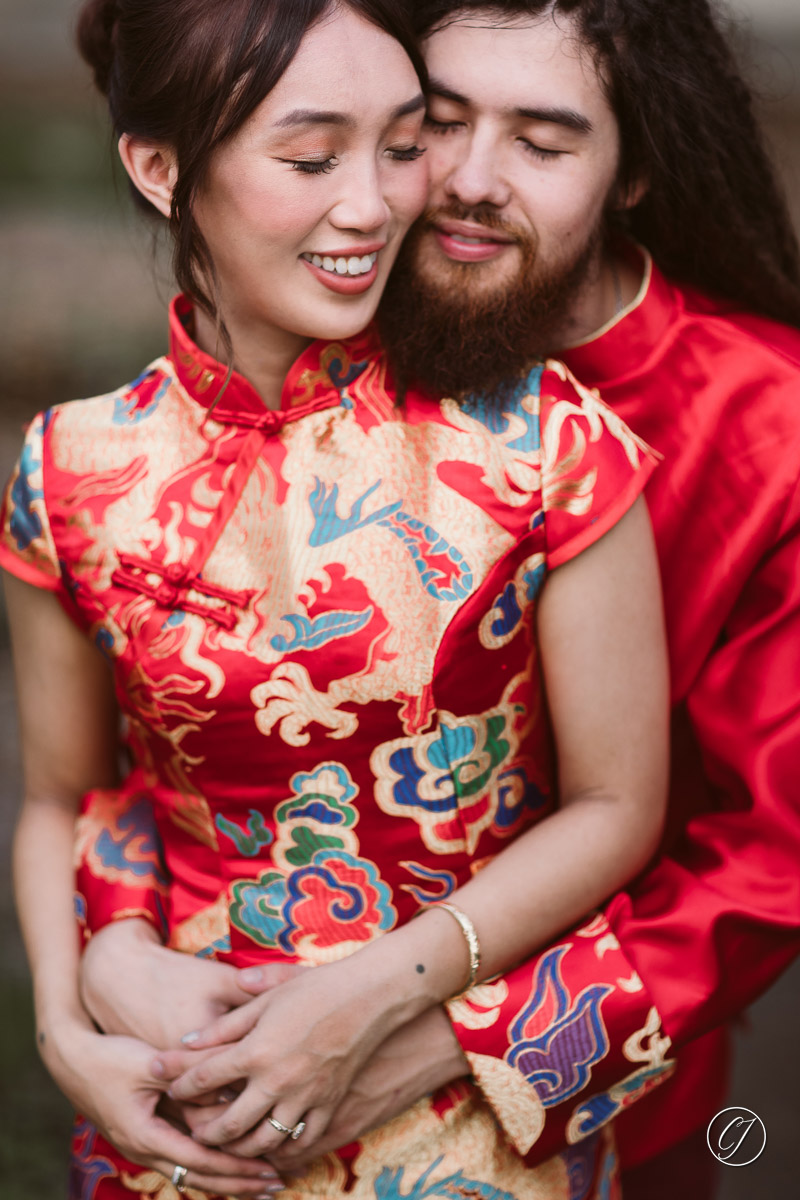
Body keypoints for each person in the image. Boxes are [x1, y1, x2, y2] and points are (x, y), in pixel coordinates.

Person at [75, 2, 800, 1198]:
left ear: (633, 173)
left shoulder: (770, 429)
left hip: (594, 1087)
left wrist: (433, 1043)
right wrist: (107, 962)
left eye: (542, 142)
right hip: (233, 1061)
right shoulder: (333, 317)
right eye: (436, 125)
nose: (465, 181)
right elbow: (166, 722)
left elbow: (769, 862)